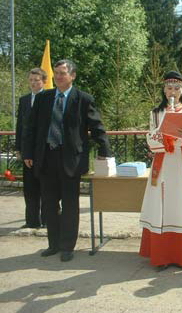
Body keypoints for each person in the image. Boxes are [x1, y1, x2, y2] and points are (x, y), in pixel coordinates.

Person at [23, 59, 111, 262]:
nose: (58, 76)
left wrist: (104, 150)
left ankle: (67, 247)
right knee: (49, 205)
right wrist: (27, 153)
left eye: (63, 73)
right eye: (56, 73)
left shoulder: (83, 99)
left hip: (70, 160)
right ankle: (53, 244)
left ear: (73, 76)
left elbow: (97, 126)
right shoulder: (44, 98)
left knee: (70, 205)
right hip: (45, 159)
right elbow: (31, 128)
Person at [139, 71, 182, 269]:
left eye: (177, 88)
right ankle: (161, 257)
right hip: (163, 164)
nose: (173, 92)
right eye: (169, 88)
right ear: (164, 90)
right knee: (162, 207)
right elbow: (151, 139)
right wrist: (162, 131)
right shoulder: (155, 113)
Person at [15, 68, 46, 229]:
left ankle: (48, 220)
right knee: (30, 188)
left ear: (44, 81)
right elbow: (21, 126)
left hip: (45, 153)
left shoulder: (49, 98)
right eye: (31, 80)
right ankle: (32, 221)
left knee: (46, 188)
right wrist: (19, 148)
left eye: (37, 80)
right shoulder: (24, 100)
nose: (33, 83)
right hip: (28, 152)